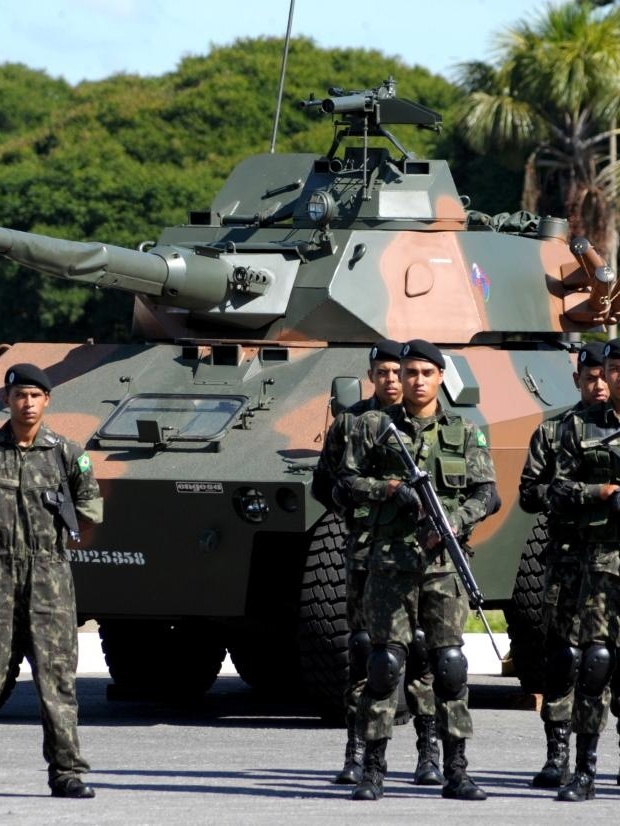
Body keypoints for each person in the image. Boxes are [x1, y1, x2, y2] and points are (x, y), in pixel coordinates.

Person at [337, 338, 499, 802]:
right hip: (388, 564)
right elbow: (345, 484)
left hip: (443, 566)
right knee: (384, 665)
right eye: (409, 373)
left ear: (441, 377)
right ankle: (372, 769)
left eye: (426, 373)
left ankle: (456, 770)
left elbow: (487, 494)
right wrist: (390, 489)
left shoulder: (464, 430)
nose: (416, 381)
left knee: (449, 666)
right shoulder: (372, 426)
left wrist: (455, 521)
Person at [313, 341, 442, 788]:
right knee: (367, 652)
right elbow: (327, 483)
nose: (391, 379)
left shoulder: (428, 425)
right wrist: (361, 507)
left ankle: (429, 751)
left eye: (397, 371)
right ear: (371, 375)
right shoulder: (352, 423)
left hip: (417, 555)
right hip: (365, 553)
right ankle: (356, 750)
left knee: (422, 649)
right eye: (383, 371)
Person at [0, 363, 103, 798]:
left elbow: (92, 508)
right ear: (7, 399)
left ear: (47, 401)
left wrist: (58, 546)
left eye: (35, 396)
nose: (27, 403)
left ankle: (66, 772)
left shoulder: (65, 452)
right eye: (20, 395)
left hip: (49, 578)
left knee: (56, 678)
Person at [519, 341, 609, 788]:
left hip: (613, 561)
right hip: (569, 560)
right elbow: (528, 494)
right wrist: (575, 492)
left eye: (605, 375)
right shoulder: (554, 432)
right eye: (589, 377)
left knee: (606, 659)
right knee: (566, 659)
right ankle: (557, 755)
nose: (599, 385)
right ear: (577, 380)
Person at [548, 336, 620, 802]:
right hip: (601, 561)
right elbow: (554, 486)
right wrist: (602, 493)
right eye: (612, 370)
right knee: (594, 663)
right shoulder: (580, 428)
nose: (613, 379)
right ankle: (584, 771)